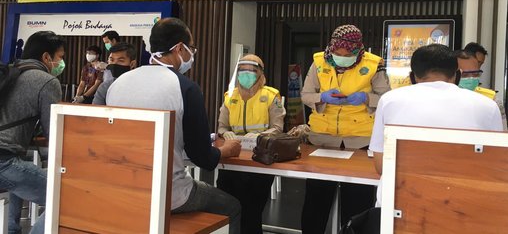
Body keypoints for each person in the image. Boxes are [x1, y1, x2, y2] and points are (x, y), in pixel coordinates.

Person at [105, 17, 242, 233]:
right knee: (232, 207)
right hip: (169, 194)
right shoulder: (186, 88)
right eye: (192, 49)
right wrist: (225, 151)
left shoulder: (118, 84)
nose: (192, 55)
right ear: (179, 48)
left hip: (122, 189)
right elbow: (202, 157)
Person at [369, 44, 504, 209]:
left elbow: (381, 165)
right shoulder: (488, 106)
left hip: (398, 203)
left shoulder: (389, 100)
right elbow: (496, 165)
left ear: (412, 77)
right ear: (457, 75)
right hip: (463, 205)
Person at [300, 24, 391, 233]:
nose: (342, 57)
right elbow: (306, 94)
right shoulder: (318, 62)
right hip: (322, 139)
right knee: (316, 200)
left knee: (357, 201)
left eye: (348, 54)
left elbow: (387, 98)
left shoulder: (374, 64)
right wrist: (321, 97)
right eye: (338, 53)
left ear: (359, 50)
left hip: (360, 140)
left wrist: (366, 97)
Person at [0, 31, 66, 234]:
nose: (61, 63)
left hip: (7, 158)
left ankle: (12, 229)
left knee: (23, 171)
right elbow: (54, 132)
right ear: (46, 57)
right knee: (64, 197)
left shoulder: (10, 72)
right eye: (60, 57)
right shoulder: (46, 80)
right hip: (4, 161)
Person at [216, 54, 285, 234]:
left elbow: (277, 127)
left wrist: (261, 136)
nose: (246, 75)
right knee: (228, 208)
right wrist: (226, 133)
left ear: (260, 74)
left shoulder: (271, 96)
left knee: (251, 211)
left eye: (251, 71)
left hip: (259, 159)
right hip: (234, 158)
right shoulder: (230, 96)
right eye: (242, 71)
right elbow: (222, 126)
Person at [456, 49, 508, 131]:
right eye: (465, 75)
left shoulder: (492, 100)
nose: (471, 78)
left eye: (476, 74)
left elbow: (503, 134)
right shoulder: (442, 99)